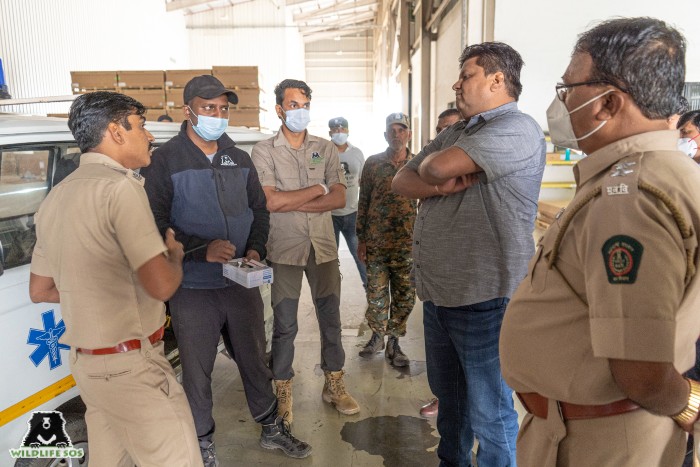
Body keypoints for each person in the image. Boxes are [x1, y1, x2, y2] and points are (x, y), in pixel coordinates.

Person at [498, 17, 700, 467]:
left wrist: (690, 404)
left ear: (608, 103)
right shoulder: (646, 175)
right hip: (591, 427)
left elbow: (642, 373)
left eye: (568, 88)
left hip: (599, 440)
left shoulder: (629, 199)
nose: (561, 102)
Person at [140, 75, 311, 465]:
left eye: (223, 109)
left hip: (239, 281)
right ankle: (201, 442)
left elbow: (260, 210)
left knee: (253, 357)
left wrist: (255, 248)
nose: (218, 116)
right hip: (192, 287)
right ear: (189, 111)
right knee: (197, 369)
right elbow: (154, 223)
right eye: (208, 109)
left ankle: (271, 427)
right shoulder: (165, 161)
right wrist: (201, 251)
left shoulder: (239, 156)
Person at [28, 91, 203, 466]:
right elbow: (162, 286)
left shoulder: (54, 199)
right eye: (141, 127)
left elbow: (40, 290)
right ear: (116, 132)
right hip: (131, 370)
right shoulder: (120, 188)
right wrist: (173, 257)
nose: (151, 136)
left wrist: (99, 288)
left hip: (90, 370)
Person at [393, 41, 545, 466]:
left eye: (467, 76)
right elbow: (401, 182)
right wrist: (436, 180)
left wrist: (433, 173)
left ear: (497, 80)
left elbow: (434, 168)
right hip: (441, 296)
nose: (457, 84)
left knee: (491, 415)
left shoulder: (516, 129)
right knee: (451, 407)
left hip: (486, 299)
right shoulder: (458, 131)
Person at [251, 79, 360, 426]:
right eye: (292, 105)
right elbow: (271, 201)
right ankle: (283, 392)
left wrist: (296, 202)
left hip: (323, 248)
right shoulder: (264, 150)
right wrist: (318, 189)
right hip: (284, 249)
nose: (300, 110)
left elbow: (340, 198)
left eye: (304, 104)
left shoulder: (325, 148)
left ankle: (335, 385)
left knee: (331, 319)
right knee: (284, 324)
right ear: (280, 110)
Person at [356, 112, 416, 367]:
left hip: (408, 245)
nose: (396, 134)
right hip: (377, 244)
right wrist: (361, 238)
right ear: (384, 135)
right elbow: (364, 201)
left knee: (405, 295)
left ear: (408, 134)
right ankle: (377, 335)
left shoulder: (419, 163)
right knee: (376, 294)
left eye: (401, 129)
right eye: (391, 130)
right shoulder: (372, 163)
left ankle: (395, 340)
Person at [419, 107, 463, 418]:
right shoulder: (430, 165)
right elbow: (402, 183)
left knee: (471, 362)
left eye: (450, 128)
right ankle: (444, 399)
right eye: (439, 130)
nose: (443, 135)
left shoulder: (477, 167)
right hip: (435, 281)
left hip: (469, 286)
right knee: (440, 359)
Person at [328, 116, 368, 288]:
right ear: (330, 132)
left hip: (352, 214)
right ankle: (331, 291)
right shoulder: (323, 153)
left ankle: (370, 289)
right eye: (335, 130)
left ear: (348, 131)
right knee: (329, 259)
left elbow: (363, 182)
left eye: (342, 129)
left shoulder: (357, 153)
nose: (339, 132)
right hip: (329, 216)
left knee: (360, 256)